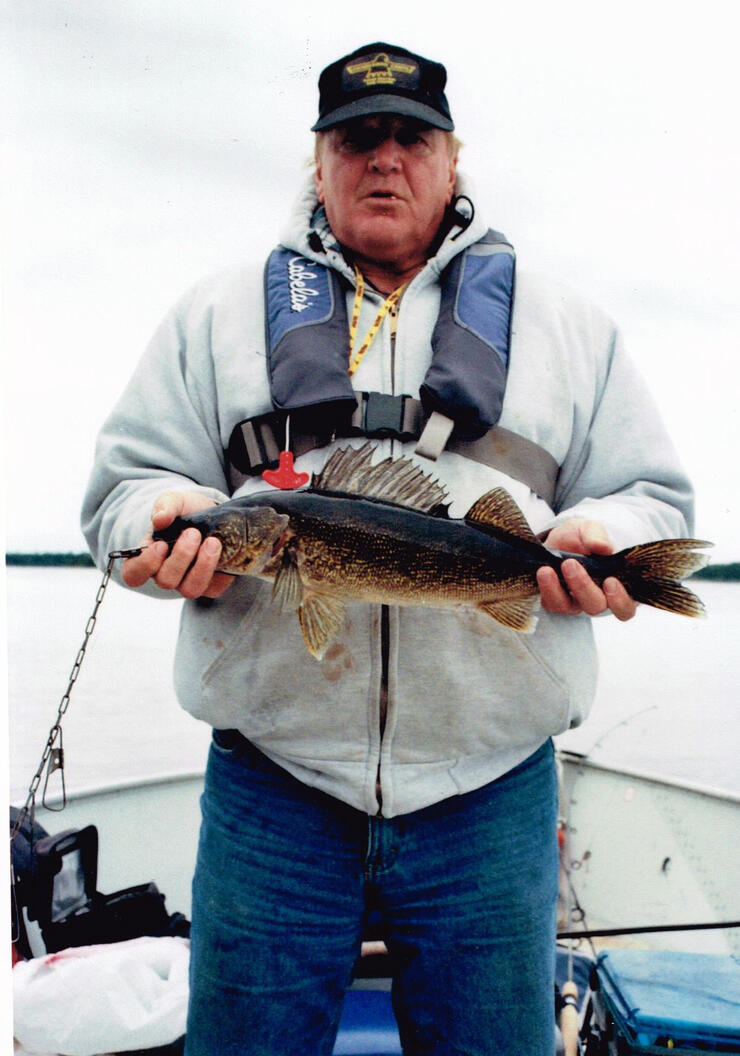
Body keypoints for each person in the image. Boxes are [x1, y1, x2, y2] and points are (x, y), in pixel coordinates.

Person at [82, 41, 693, 1056]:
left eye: (409, 137)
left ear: (452, 159)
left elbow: (652, 496)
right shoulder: (213, 316)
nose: (383, 158)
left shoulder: (568, 327)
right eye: (355, 138)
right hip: (271, 784)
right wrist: (154, 525)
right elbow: (121, 493)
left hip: (489, 790)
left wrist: (612, 537)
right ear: (316, 163)